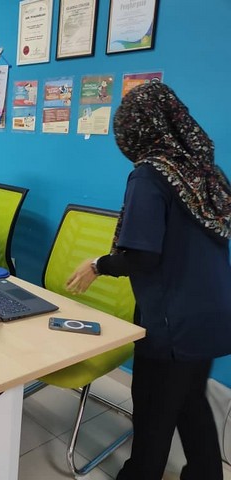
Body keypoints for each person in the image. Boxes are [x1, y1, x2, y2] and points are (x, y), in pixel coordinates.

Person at [66, 82, 231, 480]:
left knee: (153, 411)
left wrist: (98, 265)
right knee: (191, 401)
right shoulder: (204, 171)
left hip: (171, 322)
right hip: (213, 312)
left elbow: (141, 255)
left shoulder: (150, 176)